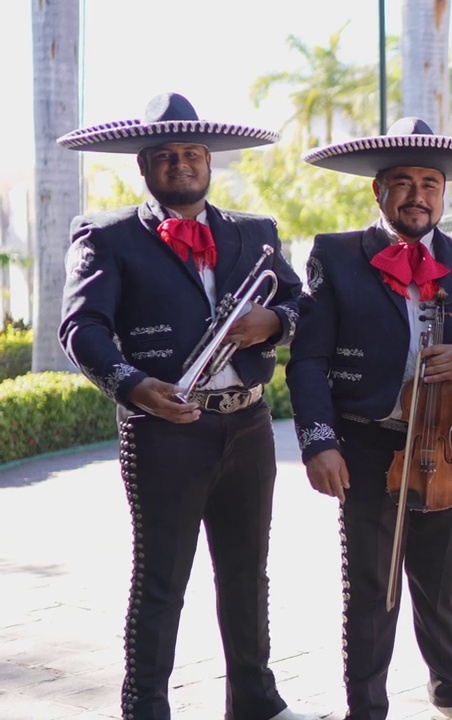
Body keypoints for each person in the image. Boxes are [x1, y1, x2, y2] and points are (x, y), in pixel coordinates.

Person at [57, 93, 311, 720]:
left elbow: (301, 303)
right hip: (164, 428)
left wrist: (272, 322)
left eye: (192, 153)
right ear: (143, 167)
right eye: (165, 155)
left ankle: (254, 698)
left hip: (248, 423)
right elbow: (81, 327)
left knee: (248, 572)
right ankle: (145, 706)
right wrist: (131, 384)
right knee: (162, 579)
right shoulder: (108, 234)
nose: (181, 164)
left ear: (209, 162)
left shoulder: (256, 232)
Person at [286, 117, 452, 720]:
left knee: (440, 585)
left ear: (445, 193)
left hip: (446, 447)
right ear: (378, 190)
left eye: (431, 183)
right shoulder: (336, 255)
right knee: (370, 590)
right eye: (404, 182)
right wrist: (317, 442)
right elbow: (308, 358)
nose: (419, 195)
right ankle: (367, 706)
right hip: (365, 446)